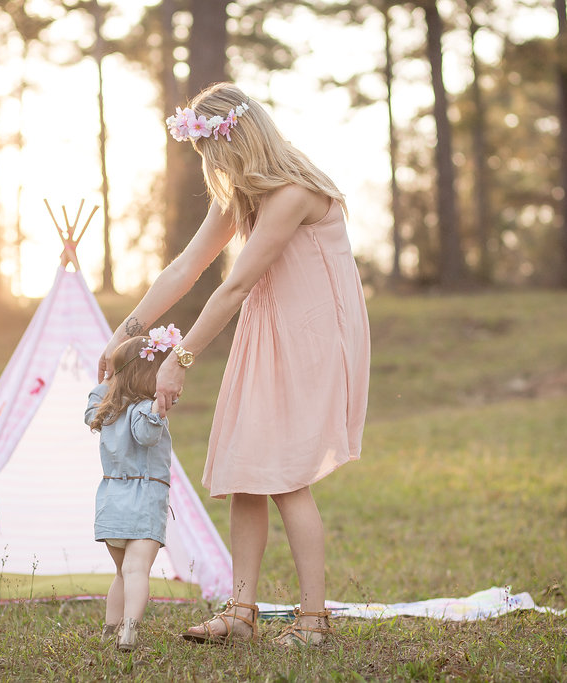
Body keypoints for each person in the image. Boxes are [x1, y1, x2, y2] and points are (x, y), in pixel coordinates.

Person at [97, 82, 370, 647]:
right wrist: (128, 330)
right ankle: (240, 611)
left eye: (216, 158)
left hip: (312, 341)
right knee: (247, 471)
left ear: (239, 141)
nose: (214, 172)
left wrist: (180, 360)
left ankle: (314, 621)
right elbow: (186, 268)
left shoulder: (293, 192)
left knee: (287, 476)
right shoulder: (245, 197)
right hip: (267, 335)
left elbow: (235, 285)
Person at [86, 326, 181, 652]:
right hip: (144, 497)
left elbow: (91, 408)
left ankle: (109, 630)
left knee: (121, 573)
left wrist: (108, 380)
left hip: (112, 499)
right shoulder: (146, 410)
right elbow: (145, 436)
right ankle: (128, 630)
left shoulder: (107, 410)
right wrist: (158, 407)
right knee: (137, 568)